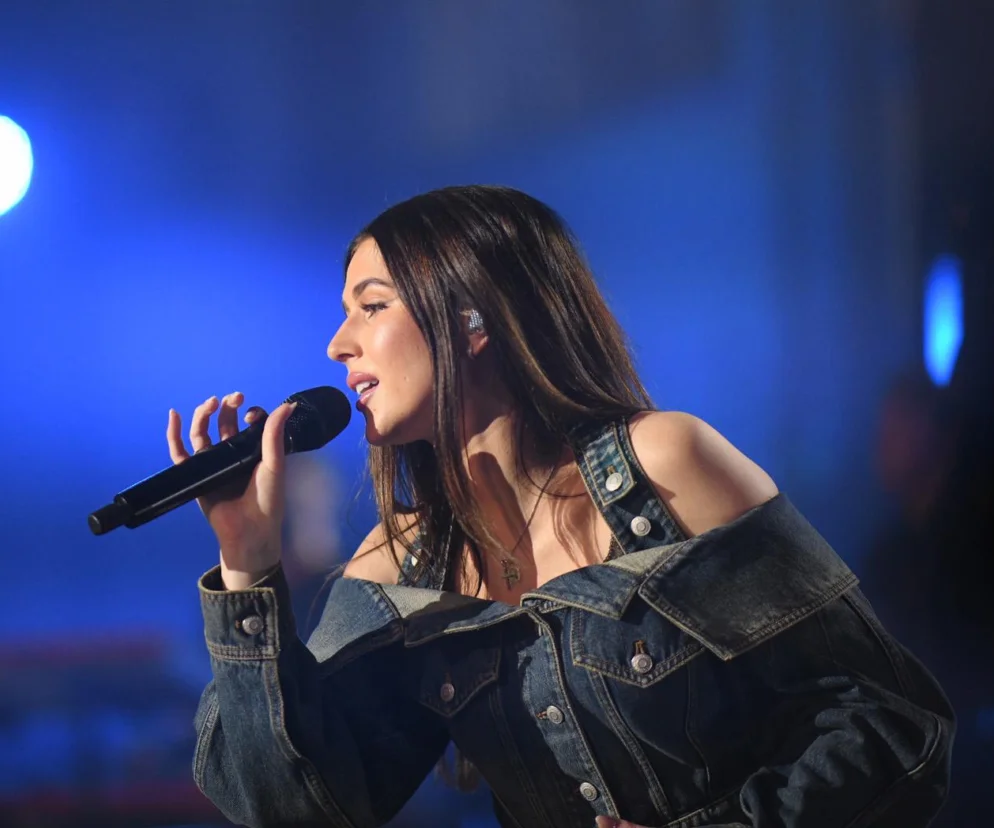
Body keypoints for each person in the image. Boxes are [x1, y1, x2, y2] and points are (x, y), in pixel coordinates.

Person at [169, 186, 954, 828]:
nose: (338, 344)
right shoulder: (402, 562)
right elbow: (294, 807)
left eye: (371, 306)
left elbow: (893, 724)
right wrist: (247, 563)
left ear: (472, 320)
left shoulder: (664, 465)